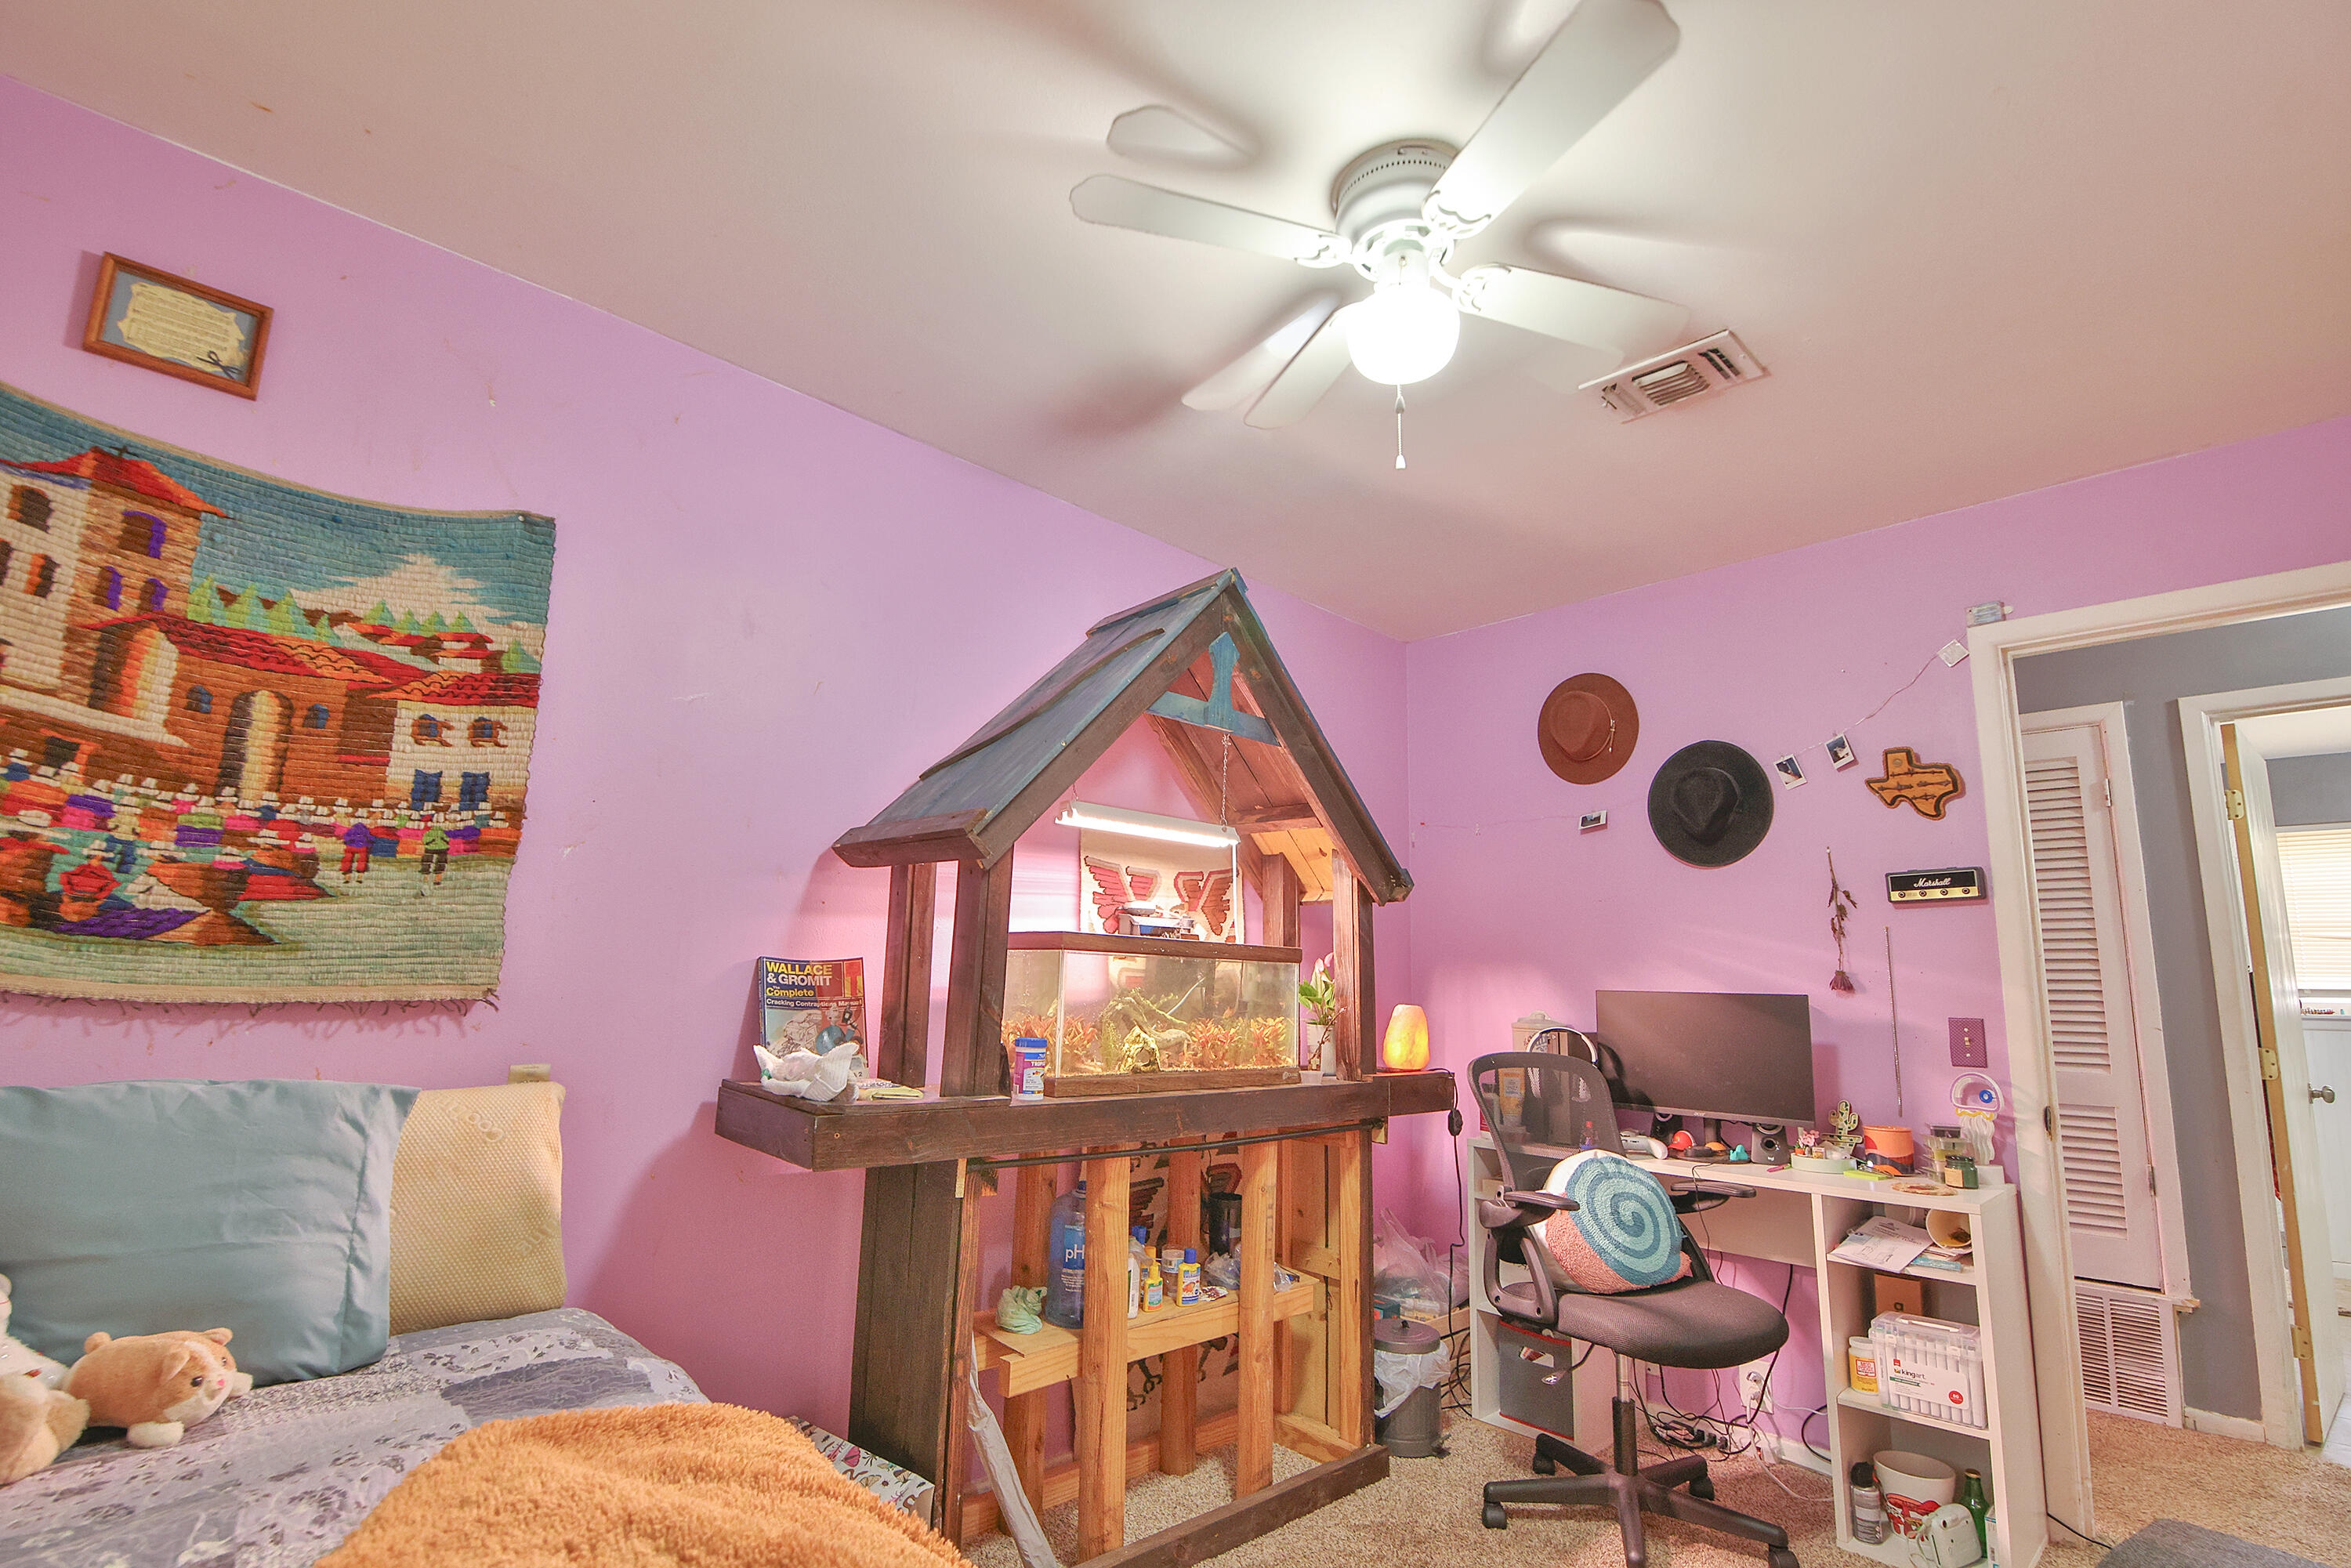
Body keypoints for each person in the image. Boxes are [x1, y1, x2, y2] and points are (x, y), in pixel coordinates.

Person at [418, 814, 451, 888]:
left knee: (436, 859)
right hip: (438, 845)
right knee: (435, 859)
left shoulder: (444, 827)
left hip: (438, 845)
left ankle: (432, 877)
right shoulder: (429, 828)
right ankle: (429, 877)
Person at [339, 813, 374, 883]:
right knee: (362, 859)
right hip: (363, 846)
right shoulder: (366, 830)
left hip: (351, 845)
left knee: (348, 858)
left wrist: (346, 841)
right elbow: (370, 838)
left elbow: (346, 837)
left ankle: (347, 875)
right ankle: (360, 876)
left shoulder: (351, 830)